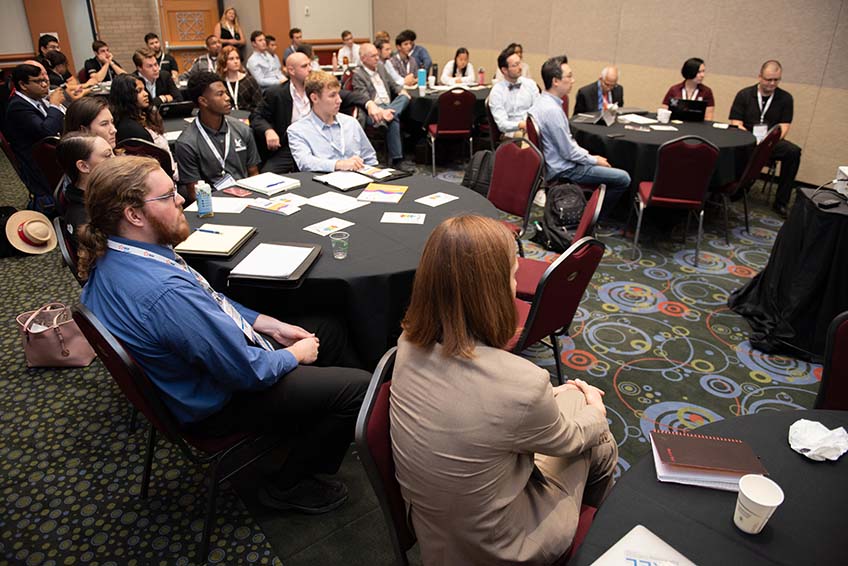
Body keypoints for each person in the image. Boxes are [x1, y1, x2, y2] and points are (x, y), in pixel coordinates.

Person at [78, 155, 370, 514]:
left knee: (329, 329)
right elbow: (247, 371)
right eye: (168, 196)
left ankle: (330, 428)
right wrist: (295, 355)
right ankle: (287, 485)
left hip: (188, 380)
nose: (182, 199)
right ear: (134, 215)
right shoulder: (164, 292)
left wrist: (269, 323)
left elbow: (212, 301)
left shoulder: (121, 256)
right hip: (218, 404)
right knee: (358, 389)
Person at [390, 214, 618, 565]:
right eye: (513, 274)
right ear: (493, 290)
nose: (515, 283)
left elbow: (478, 410)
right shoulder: (522, 382)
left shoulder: (407, 343)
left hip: (435, 533)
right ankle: (598, 541)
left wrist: (560, 397)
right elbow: (571, 439)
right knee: (598, 441)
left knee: (569, 397)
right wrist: (596, 413)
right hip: (502, 548)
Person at [529, 56, 629, 220]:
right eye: (569, 76)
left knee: (603, 162)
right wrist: (594, 160)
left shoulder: (542, 101)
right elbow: (568, 152)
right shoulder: (552, 111)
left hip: (555, 163)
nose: (573, 80)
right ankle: (592, 220)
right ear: (555, 81)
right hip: (564, 169)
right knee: (623, 178)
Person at [252, 53, 376, 174]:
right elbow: (257, 116)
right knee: (268, 173)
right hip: (290, 143)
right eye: (304, 66)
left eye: (310, 64)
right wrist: (268, 130)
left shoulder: (325, 90)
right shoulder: (277, 94)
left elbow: (351, 96)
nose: (310, 69)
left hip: (326, 142)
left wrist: (369, 103)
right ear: (291, 70)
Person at [729, 60, 800, 218]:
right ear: (760, 77)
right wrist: (752, 139)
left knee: (793, 152)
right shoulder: (745, 94)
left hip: (770, 142)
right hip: (746, 139)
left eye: (776, 80)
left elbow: (784, 126)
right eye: (769, 79)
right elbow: (736, 122)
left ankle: (781, 202)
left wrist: (769, 141)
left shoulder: (786, 98)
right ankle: (737, 189)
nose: (772, 83)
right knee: (735, 146)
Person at [175, 71, 260, 196]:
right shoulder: (186, 143)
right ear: (203, 101)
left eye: (226, 92)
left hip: (247, 197)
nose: (227, 98)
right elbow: (195, 194)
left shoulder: (243, 129)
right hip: (212, 204)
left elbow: (253, 173)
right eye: (220, 94)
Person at [4, 62, 66, 212]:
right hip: (38, 165)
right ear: (23, 85)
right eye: (39, 81)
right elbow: (47, 132)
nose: (45, 84)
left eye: (45, 80)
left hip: (48, 153)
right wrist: (55, 105)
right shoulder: (18, 107)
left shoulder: (36, 100)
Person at [287, 71, 377, 172]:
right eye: (332, 95)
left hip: (361, 180)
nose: (339, 100)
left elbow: (370, 158)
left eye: (338, 94)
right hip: (324, 183)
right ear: (314, 98)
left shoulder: (351, 123)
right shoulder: (298, 130)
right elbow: (305, 163)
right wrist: (339, 164)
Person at [110, 74, 177, 179]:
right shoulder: (130, 129)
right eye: (139, 91)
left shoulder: (145, 115)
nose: (146, 94)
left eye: (144, 89)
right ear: (126, 95)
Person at [354, 43, 411, 166]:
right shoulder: (358, 74)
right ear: (363, 58)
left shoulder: (380, 67)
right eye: (373, 56)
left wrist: (401, 91)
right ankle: (397, 160)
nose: (377, 58)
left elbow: (393, 84)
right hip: (373, 110)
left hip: (388, 105)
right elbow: (363, 99)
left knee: (405, 98)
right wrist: (380, 111)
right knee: (394, 118)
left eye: (377, 55)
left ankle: (386, 117)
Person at [55, 132, 114, 244]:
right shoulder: (86, 221)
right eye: (108, 156)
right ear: (84, 166)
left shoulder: (101, 196)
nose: (116, 160)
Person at [488, 46, 539, 139]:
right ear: (504, 70)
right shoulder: (497, 92)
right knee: (527, 137)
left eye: (520, 63)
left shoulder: (530, 84)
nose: (520, 68)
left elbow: (539, 110)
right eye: (515, 65)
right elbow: (502, 124)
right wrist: (521, 125)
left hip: (532, 128)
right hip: (511, 133)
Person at [215, 45, 263, 112]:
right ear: (224, 61)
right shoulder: (219, 82)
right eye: (231, 59)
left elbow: (259, 104)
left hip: (248, 117)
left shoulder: (250, 81)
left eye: (237, 58)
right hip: (227, 117)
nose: (236, 61)